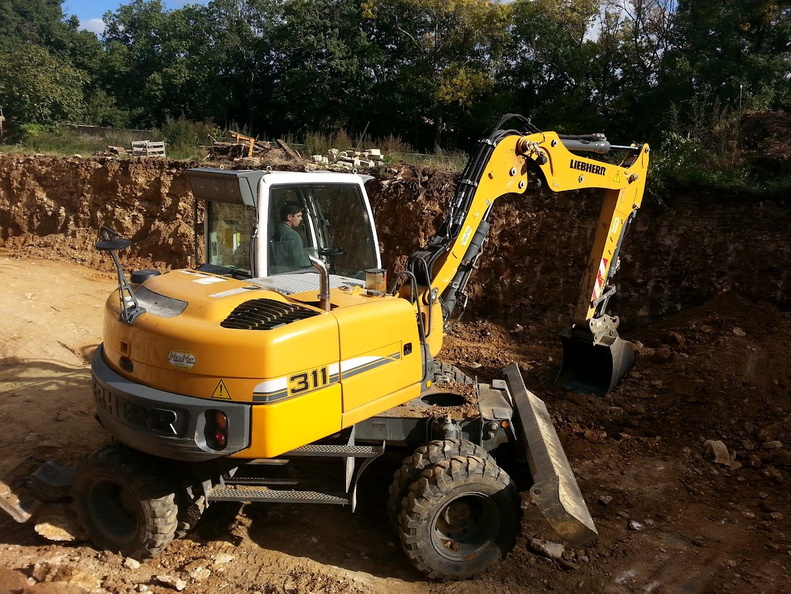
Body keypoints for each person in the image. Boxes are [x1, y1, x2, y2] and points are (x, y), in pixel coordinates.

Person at [270, 201, 310, 273]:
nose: (301, 219)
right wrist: (318, 266)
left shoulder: (274, 229)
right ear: (289, 217)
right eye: (298, 216)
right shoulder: (293, 236)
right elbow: (300, 263)